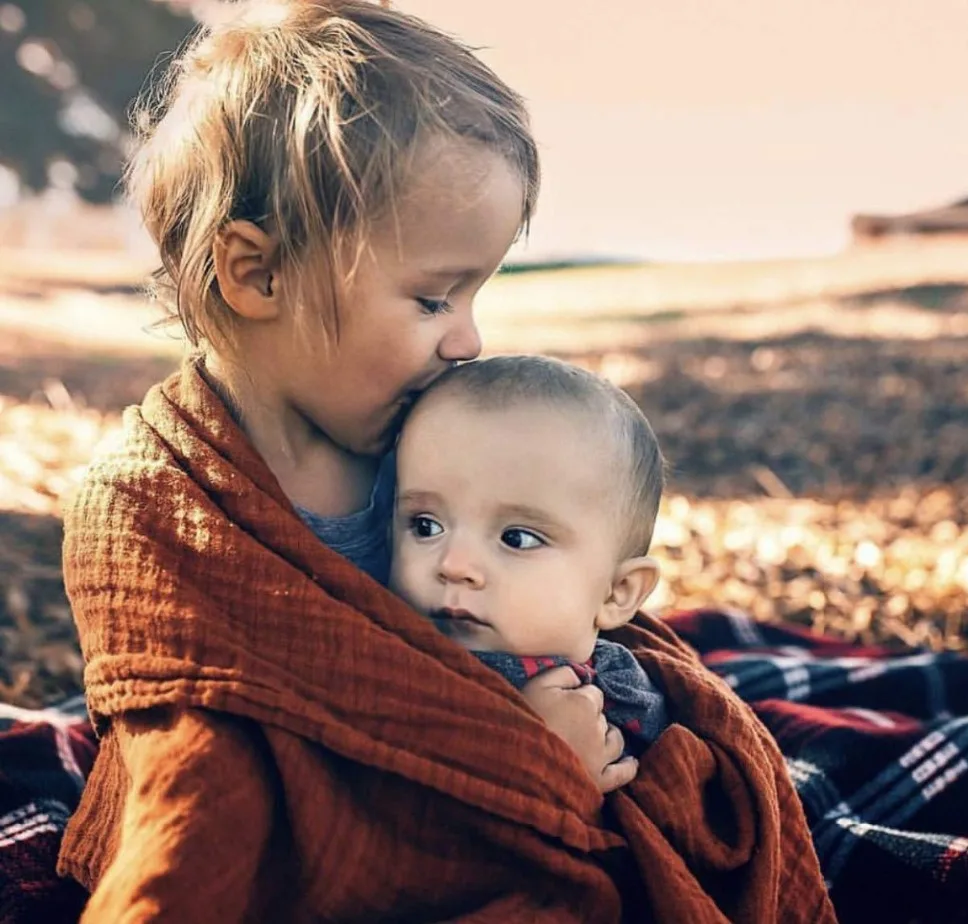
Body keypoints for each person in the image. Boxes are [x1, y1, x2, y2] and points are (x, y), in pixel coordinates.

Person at [57, 2, 836, 920]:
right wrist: (534, 763)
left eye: (476, 292)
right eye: (433, 298)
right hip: (317, 845)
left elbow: (555, 612)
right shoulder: (150, 503)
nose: (468, 340)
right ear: (256, 273)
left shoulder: (427, 439)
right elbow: (194, 770)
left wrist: (588, 733)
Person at [390, 355, 670, 753]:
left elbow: (685, 801)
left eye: (517, 538)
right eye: (426, 526)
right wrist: (538, 760)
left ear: (617, 592)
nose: (453, 565)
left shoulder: (631, 699)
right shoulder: (392, 676)